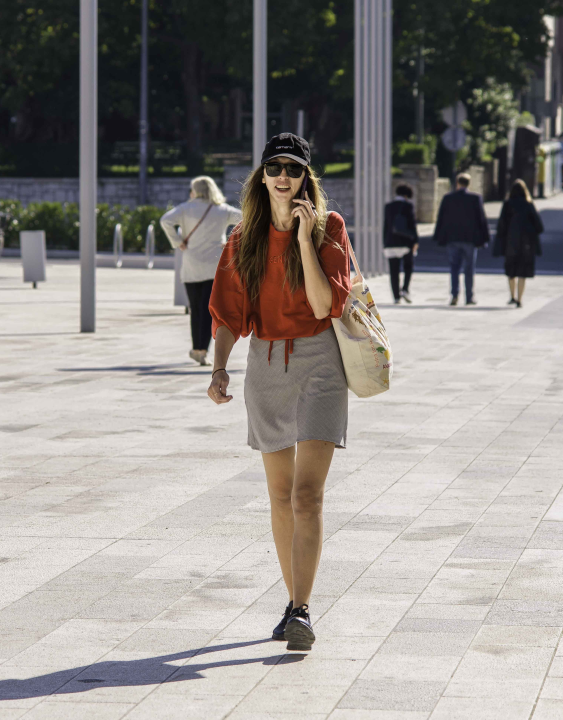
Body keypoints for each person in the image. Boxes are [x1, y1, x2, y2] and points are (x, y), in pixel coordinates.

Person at [207, 133, 352, 653]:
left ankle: (303, 610)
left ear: (306, 177)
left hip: (320, 364)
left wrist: (305, 241)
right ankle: (293, 602)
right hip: (266, 365)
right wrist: (219, 369)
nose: (283, 176)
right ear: (262, 177)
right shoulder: (243, 237)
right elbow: (229, 313)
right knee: (279, 496)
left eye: (293, 168)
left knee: (307, 496)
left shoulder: (330, 228)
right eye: (275, 168)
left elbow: (322, 305)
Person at [160, 176, 243, 365]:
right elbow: (247, 219)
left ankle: (196, 348)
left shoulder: (185, 209)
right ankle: (203, 351)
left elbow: (165, 220)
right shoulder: (222, 209)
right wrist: (232, 243)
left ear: (195, 190)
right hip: (214, 266)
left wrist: (177, 242)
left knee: (195, 308)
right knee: (208, 310)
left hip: (191, 265)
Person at [432, 172, 490, 305]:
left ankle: (454, 295)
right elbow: (481, 219)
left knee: (454, 268)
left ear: (457, 183)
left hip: (452, 238)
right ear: (469, 184)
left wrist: (438, 236)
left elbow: (441, 217)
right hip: (470, 239)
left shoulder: (448, 198)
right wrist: (485, 237)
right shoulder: (475, 198)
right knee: (469, 269)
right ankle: (469, 297)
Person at [493, 179, 543, 309]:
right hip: (526, 245)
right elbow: (539, 226)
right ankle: (520, 299)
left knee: (511, 271)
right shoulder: (528, 204)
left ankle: (512, 296)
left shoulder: (507, 205)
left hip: (510, 244)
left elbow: (501, 226)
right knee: (522, 273)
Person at [382, 184, 419, 304]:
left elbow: (386, 226)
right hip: (405, 242)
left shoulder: (388, 206)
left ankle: (396, 297)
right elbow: (412, 225)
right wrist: (415, 241)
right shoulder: (408, 206)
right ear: (407, 195)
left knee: (394, 271)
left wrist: (385, 243)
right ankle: (405, 289)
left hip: (390, 242)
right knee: (408, 267)